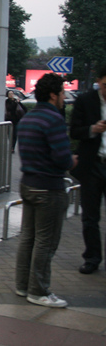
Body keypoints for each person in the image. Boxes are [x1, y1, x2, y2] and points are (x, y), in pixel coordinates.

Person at [15, 73, 77, 308]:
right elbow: (62, 159)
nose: (64, 97)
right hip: (49, 188)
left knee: (28, 238)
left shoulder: (28, 118)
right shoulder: (54, 120)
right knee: (45, 242)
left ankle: (22, 285)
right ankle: (39, 291)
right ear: (53, 95)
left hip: (28, 184)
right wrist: (72, 161)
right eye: (62, 92)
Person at [69, 66, 106, 275]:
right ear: (98, 81)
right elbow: (74, 131)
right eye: (105, 85)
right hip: (93, 164)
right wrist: (93, 129)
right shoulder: (85, 100)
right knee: (90, 217)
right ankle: (92, 258)